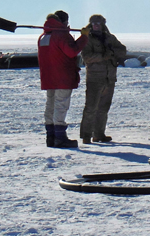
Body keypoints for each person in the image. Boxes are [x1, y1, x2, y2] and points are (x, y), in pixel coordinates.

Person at [37, 10, 88, 148]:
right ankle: (60, 137)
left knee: (51, 104)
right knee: (61, 105)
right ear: (64, 22)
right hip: (62, 76)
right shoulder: (61, 35)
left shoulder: (44, 36)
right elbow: (71, 51)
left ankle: (51, 137)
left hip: (49, 77)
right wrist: (83, 37)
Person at [79, 14, 127, 144]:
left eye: (98, 23)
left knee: (103, 108)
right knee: (91, 107)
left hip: (109, 78)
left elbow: (123, 50)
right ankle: (86, 136)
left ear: (102, 24)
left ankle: (99, 134)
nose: (96, 25)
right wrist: (103, 56)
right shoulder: (87, 39)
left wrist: (112, 53)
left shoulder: (110, 38)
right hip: (95, 78)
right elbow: (87, 57)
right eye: (93, 23)